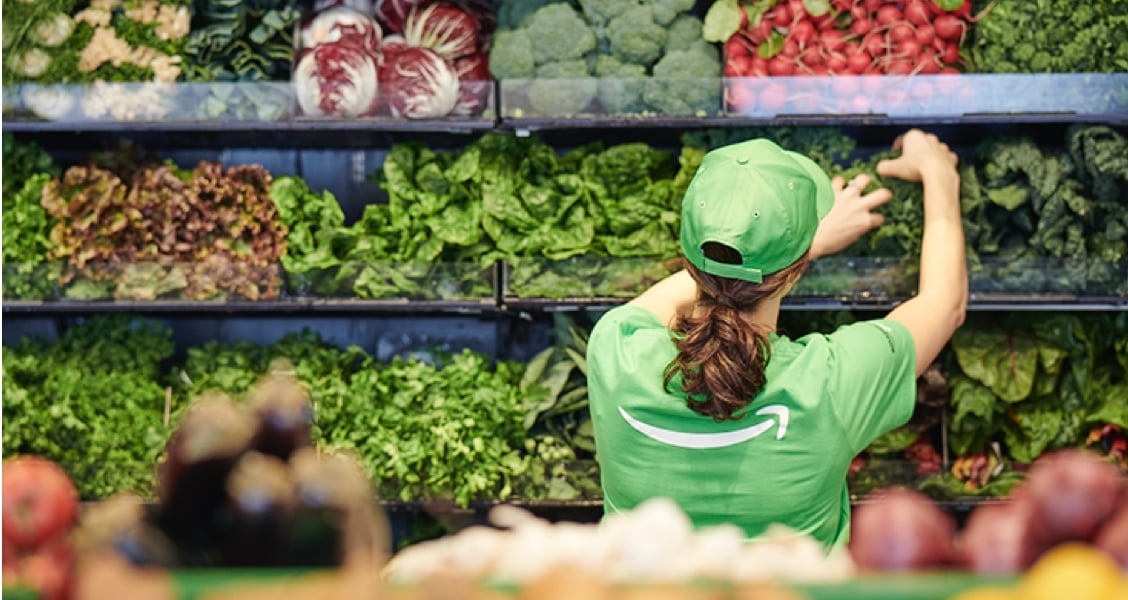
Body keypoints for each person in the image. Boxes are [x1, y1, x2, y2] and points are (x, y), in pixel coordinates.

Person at [586, 129, 966, 550]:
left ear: (686, 253)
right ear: (797, 271)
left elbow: (669, 298)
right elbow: (945, 303)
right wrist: (938, 172)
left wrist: (798, 250)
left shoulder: (613, 350)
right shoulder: (831, 381)